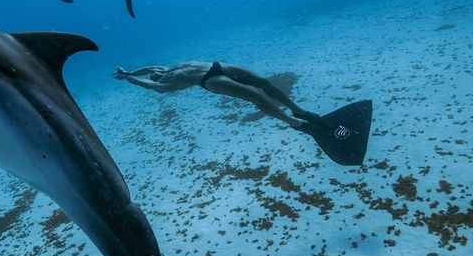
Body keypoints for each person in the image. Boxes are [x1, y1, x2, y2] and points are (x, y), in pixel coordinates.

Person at [114, 61, 372, 166]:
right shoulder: (164, 84)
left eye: (154, 73)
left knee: (264, 83)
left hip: (216, 66)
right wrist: (128, 80)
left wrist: (128, 71)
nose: (155, 74)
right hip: (208, 80)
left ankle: (302, 112)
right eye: (154, 76)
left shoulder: (165, 68)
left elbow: (147, 69)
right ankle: (294, 123)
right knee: (257, 96)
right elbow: (151, 84)